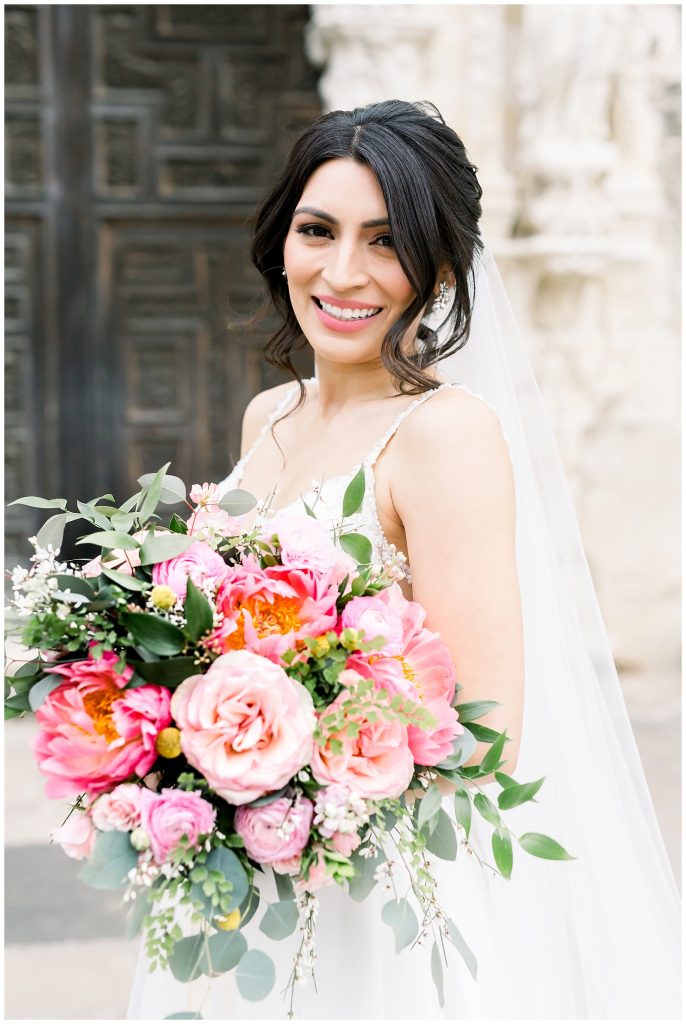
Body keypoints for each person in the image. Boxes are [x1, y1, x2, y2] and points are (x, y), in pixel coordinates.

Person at [128, 100, 680, 1019]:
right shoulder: (268, 415)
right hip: (241, 876)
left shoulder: (447, 436)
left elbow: (484, 733)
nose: (343, 272)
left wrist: (293, 766)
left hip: (371, 895)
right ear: (282, 241)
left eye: (386, 242)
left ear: (444, 266)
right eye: (318, 230)